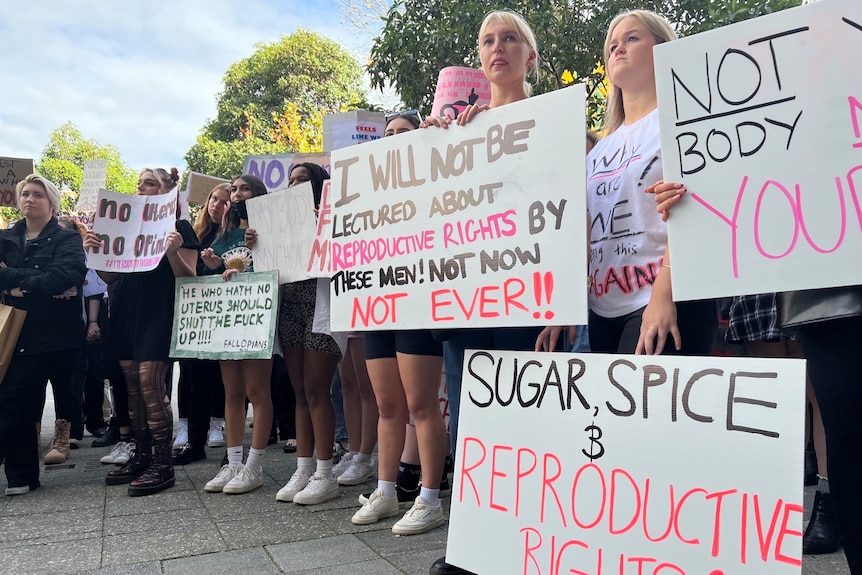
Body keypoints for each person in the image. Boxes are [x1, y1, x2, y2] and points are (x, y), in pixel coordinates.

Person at [421, 10, 545, 574]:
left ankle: (524, 543)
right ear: (480, 59)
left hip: (531, 299)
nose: (499, 48)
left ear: (530, 56)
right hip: (467, 300)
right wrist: (429, 152)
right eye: (488, 41)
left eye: (511, 39)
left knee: (523, 421)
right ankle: (470, 547)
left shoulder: (552, 121)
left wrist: (559, 306)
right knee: (471, 421)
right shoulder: (460, 132)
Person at [536, 9, 716, 357]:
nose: (618, 49)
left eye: (632, 38)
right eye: (612, 45)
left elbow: (701, 211)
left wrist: (664, 296)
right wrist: (564, 304)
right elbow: (585, 234)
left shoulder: (685, 121)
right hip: (604, 310)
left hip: (667, 300)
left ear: (663, 48)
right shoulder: (597, 151)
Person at [350, 110, 449, 535]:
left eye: (403, 132)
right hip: (377, 300)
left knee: (422, 405)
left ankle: (429, 498)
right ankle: (386, 491)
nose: (393, 138)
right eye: (387, 133)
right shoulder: (367, 191)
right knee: (388, 405)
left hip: (418, 299)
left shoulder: (438, 178)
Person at [84, 167, 199, 497]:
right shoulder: (126, 226)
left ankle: (163, 464)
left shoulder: (179, 228)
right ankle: (142, 454)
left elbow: (188, 278)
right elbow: (108, 278)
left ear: (165, 192)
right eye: (139, 183)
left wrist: (173, 251)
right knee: (131, 384)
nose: (140, 187)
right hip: (126, 310)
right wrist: (96, 250)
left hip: (158, 312)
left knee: (150, 381)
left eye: (149, 183)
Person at [0, 174, 86, 495]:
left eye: (37, 194)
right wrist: (35, 284)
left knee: (59, 397)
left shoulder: (66, 239)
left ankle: (33, 466)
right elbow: (49, 284)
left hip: (57, 337)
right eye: (25, 194)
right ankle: (21, 477)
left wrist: (9, 280)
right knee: (17, 404)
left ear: (51, 202)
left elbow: (62, 277)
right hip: (16, 335)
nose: (29, 199)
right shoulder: (6, 238)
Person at [271, 163, 345, 505]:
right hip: (291, 307)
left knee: (317, 389)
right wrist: (258, 243)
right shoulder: (280, 222)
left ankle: (325, 472)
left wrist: (326, 225)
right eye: (291, 181)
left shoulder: (335, 216)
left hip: (320, 306)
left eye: (302, 179)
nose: (295, 185)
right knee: (299, 390)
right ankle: (303, 467)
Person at [201, 175, 273, 495]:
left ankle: (254, 466)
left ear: (258, 194)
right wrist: (213, 263)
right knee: (232, 393)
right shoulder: (226, 234)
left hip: (258, 317)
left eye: (244, 188)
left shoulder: (268, 231)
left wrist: (262, 245)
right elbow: (214, 269)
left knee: (257, 390)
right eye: (233, 189)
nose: (237, 193)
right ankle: (233, 462)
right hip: (229, 319)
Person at [172, 183, 231, 466]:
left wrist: (218, 266)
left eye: (224, 201)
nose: (216, 205)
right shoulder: (195, 234)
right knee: (193, 374)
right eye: (213, 199)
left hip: (227, 313)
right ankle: (194, 438)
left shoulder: (235, 235)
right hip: (198, 314)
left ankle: (220, 427)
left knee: (222, 377)